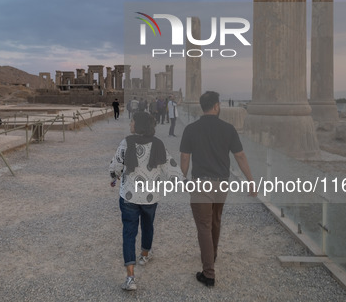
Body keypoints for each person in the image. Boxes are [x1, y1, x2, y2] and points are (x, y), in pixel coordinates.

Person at [179, 91, 256, 287]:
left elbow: (185, 157)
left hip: (201, 183)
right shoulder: (228, 128)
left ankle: (209, 273)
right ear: (216, 106)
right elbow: (240, 156)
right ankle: (212, 255)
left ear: (203, 107)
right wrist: (250, 180)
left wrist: (182, 178)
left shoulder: (191, 129)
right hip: (222, 182)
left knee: (204, 226)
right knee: (215, 220)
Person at [109, 111, 182, 291]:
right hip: (150, 197)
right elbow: (172, 169)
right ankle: (144, 254)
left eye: (132, 121)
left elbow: (116, 166)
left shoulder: (126, 142)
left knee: (129, 232)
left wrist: (114, 177)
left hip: (129, 197)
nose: (130, 124)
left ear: (138, 124)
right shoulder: (158, 144)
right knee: (148, 225)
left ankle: (130, 277)